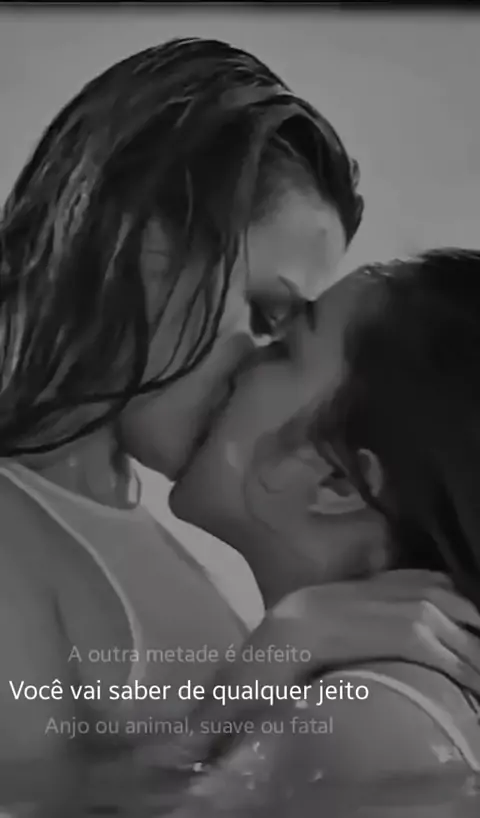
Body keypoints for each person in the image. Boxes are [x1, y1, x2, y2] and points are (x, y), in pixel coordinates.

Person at [0, 35, 463, 817]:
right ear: (142, 243)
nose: (256, 368)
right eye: (264, 313)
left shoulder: (169, 545)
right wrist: (271, 664)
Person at [168, 249, 480, 816]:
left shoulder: (364, 720)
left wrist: (217, 715)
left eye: (283, 350)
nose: (240, 355)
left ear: (337, 480)